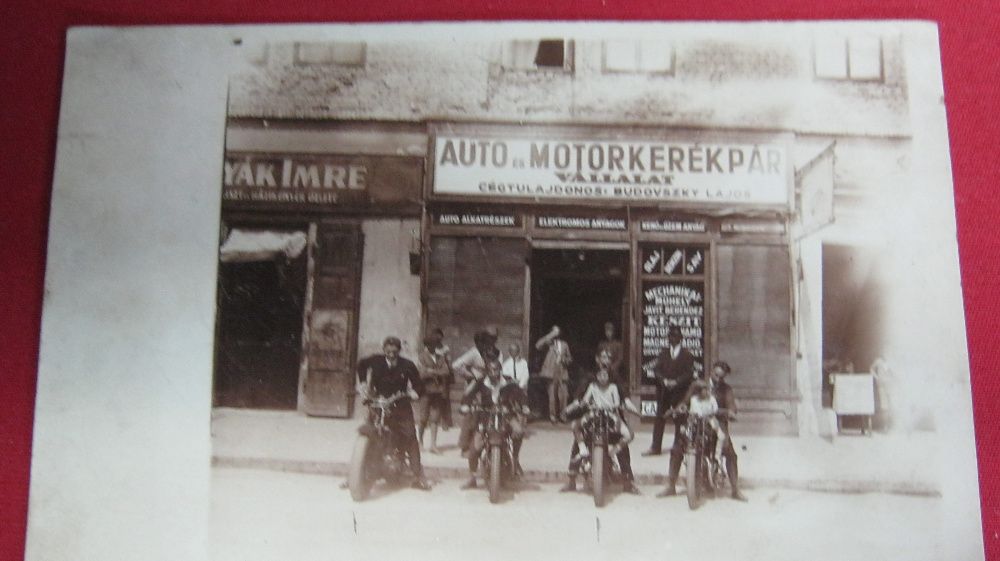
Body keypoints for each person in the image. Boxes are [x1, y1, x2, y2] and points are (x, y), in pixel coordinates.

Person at [657, 361, 746, 501]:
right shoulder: (697, 385)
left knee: (730, 453)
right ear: (711, 372)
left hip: (714, 425)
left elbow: (731, 405)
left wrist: (731, 412)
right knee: (677, 449)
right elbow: (685, 401)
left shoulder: (726, 389)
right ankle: (671, 486)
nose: (718, 379)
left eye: (722, 377)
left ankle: (735, 489)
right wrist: (680, 408)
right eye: (716, 375)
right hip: (696, 425)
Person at [560, 349, 641, 495]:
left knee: (623, 447)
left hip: (611, 415)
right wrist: (570, 408)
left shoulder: (616, 379)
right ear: (597, 359)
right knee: (578, 442)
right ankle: (571, 480)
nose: (606, 360)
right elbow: (580, 398)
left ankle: (628, 483)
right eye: (603, 356)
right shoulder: (589, 377)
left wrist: (635, 410)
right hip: (592, 415)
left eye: (609, 357)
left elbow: (625, 399)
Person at [356, 336, 431, 490]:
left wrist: (415, 393)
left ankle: (418, 476)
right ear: (384, 350)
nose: (391, 354)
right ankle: (355, 473)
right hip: (378, 403)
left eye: (394, 351)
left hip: (400, 406)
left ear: (399, 351)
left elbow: (419, 385)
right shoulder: (376, 361)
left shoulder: (407, 365)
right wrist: (363, 383)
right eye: (388, 351)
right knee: (368, 431)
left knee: (410, 436)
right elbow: (361, 365)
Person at [459, 354, 529, 489]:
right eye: (490, 370)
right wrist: (465, 405)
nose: (493, 373)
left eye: (496, 369)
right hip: (485, 416)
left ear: (500, 370)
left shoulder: (509, 382)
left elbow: (521, 394)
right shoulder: (480, 382)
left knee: (519, 431)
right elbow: (468, 395)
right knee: (475, 447)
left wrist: (524, 406)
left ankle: (514, 458)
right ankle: (472, 478)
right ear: (486, 371)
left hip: (506, 415)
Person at [644, 325, 696, 456]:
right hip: (664, 392)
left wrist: (676, 382)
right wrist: (664, 381)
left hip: (679, 392)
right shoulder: (664, 353)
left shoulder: (687, 355)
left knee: (680, 419)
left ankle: (677, 446)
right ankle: (655, 447)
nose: (672, 338)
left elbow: (689, 374)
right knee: (660, 418)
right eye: (670, 336)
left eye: (675, 336)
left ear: (681, 338)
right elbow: (656, 370)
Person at [452, 330, 504, 453]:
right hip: (475, 386)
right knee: (471, 416)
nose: (491, 342)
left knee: (490, 414)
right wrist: (470, 375)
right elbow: (456, 365)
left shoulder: (496, 353)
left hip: (490, 385)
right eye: (489, 340)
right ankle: (465, 446)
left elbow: (499, 367)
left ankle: (489, 445)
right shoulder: (474, 353)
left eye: (493, 339)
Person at [416, 329, 452, 455]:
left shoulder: (440, 357)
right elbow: (421, 374)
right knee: (423, 418)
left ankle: (433, 444)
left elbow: (446, 372)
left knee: (435, 419)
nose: (433, 347)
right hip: (425, 391)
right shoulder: (421, 357)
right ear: (427, 345)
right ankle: (419, 441)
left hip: (437, 392)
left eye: (435, 345)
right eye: (431, 345)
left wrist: (432, 371)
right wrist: (431, 372)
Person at [536, 325, 572, 423]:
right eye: (554, 331)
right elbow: (538, 345)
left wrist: (564, 359)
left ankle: (563, 415)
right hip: (551, 372)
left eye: (557, 331)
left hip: (562, 371)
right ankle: (553, 416)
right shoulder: (547, 343)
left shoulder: (564, 344)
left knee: (564, 395)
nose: (556, 333)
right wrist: (550, 335)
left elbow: (569, 359)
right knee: (552, 396)